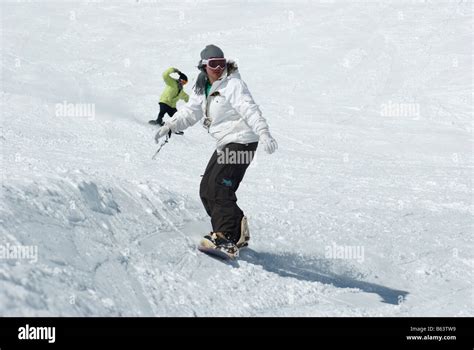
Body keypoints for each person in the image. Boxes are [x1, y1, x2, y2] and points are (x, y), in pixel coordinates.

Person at [154, 45, 278, 257]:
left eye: (222, 62)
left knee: (219, 185)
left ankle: (226, 237)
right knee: (206, 189)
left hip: (243, 141)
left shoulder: (233, 84)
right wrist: (171, 125)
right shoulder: (202, 86)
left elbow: (249, 108)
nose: (219, 67)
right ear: (204, 66)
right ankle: (236, 230)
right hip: (225, 142)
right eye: (213, 64)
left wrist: (264, 132)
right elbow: (191, 112)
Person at [149, 67, 189, 136]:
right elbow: (165, 75)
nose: (183, 84)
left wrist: (191, 103)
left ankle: (176, 128)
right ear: (180, 79)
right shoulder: (172, 82)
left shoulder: (181, 90)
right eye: (183, 81)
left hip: (172, 106)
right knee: (162, 110)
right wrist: (173, 70)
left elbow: (186, 97)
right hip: (165, 101)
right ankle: (158, 121)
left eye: (185, 83)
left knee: (176, 116)